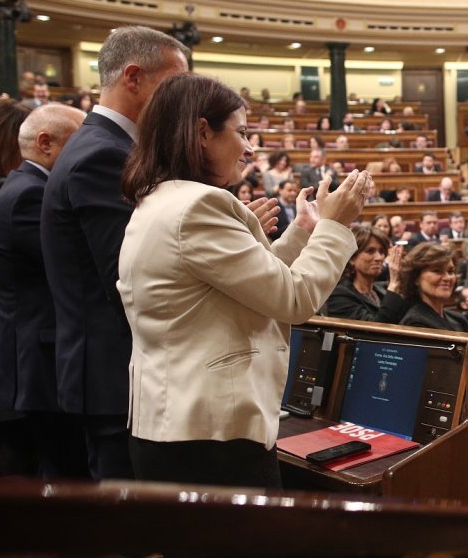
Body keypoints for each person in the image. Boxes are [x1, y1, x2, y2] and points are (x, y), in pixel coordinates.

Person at [117, 73, 371, 487]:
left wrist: (304, 232)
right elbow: (294, 298)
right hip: (213, 440)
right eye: (242, 132)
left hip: (179, 428)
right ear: (202, 132)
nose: (250, 147)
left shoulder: (162, 199)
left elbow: (244, 285)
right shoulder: (200, 206)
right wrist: (337, 226)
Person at [40, 26, 191, 480]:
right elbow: (129, 277)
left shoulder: (108, 146)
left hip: (114, 368)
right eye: (174, 86)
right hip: (114, 372)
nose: (179, 102)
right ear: (133, 77)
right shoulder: (104, 154)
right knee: (130, 530)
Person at [0, 103, 89, 478]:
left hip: (34, 358)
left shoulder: (29, 187)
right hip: (34, 364)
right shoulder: (29, 194)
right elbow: (73, 267)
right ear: (46, 143)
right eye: (78, 145)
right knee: (49, 474)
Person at [322, 226, 408, 324]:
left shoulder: (381, 288)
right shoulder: (339, 295)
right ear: (352, 258)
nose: (379, 257)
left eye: (381, 252)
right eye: (370, 251)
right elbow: (373, 332)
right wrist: (393, 284)